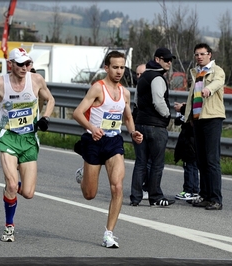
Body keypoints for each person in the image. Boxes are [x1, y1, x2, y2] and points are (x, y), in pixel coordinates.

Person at [0, 47, 55, 241]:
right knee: (12, 184)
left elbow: (50, 99)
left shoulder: (36, 80)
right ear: (10, 64)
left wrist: (45, 117)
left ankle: (11, 188)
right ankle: (9, 226)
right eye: (20, 64)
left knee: (28, 193)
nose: (25, 67)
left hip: (29, 138)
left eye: (28, 64)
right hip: (8, 137)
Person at [73, 51, 143, 248]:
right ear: (106, 68)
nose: (119, 71)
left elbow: (127, 117)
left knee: (117, 186)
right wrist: (93, 128)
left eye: (122, 67)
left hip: (113, 142)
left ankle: (108, 233)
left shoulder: (125, 93)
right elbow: (77, 113)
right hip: (93, 141)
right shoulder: (97, 88)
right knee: (89, 194)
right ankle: (84, 171)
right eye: (115, 67)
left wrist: (133, 132)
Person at [130, 47, 175, 207]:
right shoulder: (157, 78)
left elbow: (136, 101)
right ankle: (155, 197)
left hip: (140, 123)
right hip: (155, 126)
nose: (169, 62)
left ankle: (135, 197)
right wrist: (167, 115)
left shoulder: (142, 77)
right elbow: (158, 100)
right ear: (157, 60)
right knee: (156, 163)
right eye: (166, 59)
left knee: (141, 162)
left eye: (170, 60)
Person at [184, 43, 225, 210]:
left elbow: (217, 83)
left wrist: (208, 89)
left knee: (211, 160)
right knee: (201, 160)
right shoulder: (196, 72)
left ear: (209, 55)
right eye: (197, 54)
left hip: (212, 118)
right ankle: (205, 195)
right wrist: (187, 114)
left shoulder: (217, 70)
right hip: (198, 119)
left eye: (202, 54)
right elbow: (193, 96)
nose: (199, 57)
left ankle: (216, 198)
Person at [173, 102, 201, 202]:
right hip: (193, 140)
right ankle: (194, 191)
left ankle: (188, 190)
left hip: (189, 141)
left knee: (189, 166)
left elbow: (179, 121)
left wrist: (183, 109)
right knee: (193, 166)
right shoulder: (190, 107)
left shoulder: (191, 109)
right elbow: (177, 121)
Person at [131, 63, 149, 200]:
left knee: (150, 160)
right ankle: (140, 189)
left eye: (141, 74)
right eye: (137, 74)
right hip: (138, 123)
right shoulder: (138, 87)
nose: (139, 77)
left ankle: (148, 187)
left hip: (150, 124)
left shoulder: (152, 84)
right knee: (141, 158)